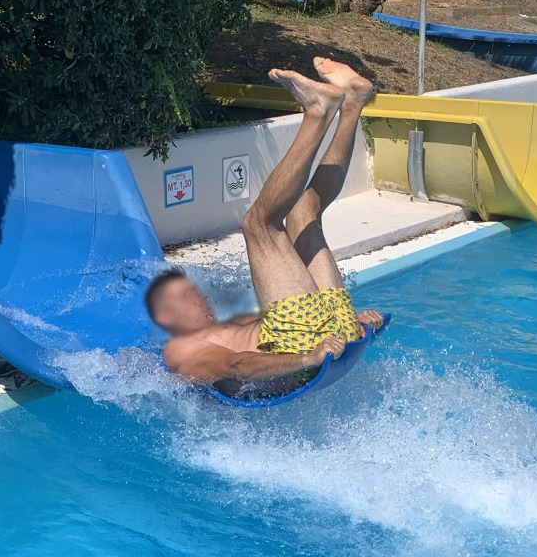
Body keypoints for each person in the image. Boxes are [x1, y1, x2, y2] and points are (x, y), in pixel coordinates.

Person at [146, 58, 385, 393]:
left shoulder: (236, 326)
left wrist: (353, 325)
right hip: (302, 351)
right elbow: (237, 366)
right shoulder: (179, 350)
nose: (197, 298)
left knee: (304, 214)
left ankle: (353, 103)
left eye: (192, 292)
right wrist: (307, 359)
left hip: (330, 331)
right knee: (259, 224)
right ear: (167, 319)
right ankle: (317, 112)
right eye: (183, 299)